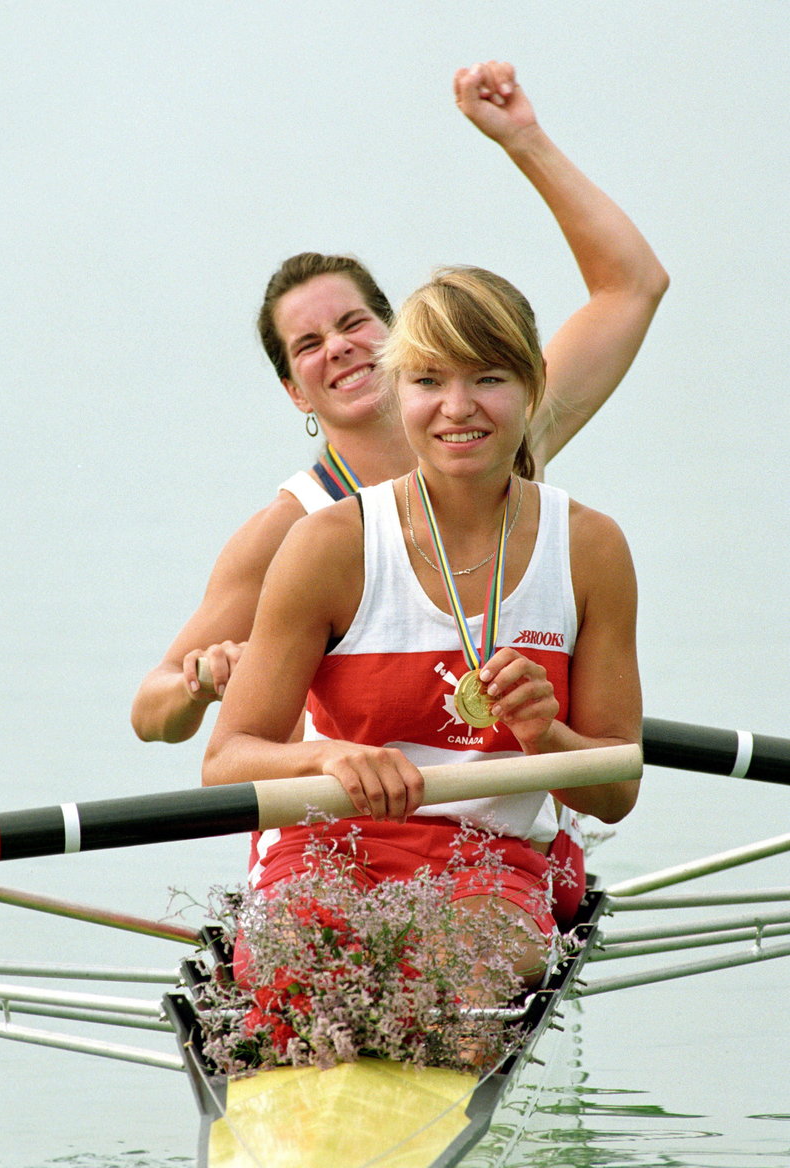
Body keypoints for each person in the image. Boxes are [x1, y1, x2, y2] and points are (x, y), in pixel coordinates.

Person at [130, 60, 666, 745]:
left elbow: (632, 285)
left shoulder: (497, 427)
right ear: (295, 392)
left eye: (354, 324)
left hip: (501, 824)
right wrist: (199, 681)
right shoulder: (294, 530)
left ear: (397, 339)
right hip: (349, 820)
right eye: (308, 344)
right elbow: (151, 713)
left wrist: (523, 139)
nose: (340, 348)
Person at [201, 265, 642, 991]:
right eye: (429, 381)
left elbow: (616, 788)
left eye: (489, 379)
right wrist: (327, 760)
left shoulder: (590, 548)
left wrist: (548, 736)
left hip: (492, 857)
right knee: (302, 984)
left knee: (457, 979)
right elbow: (226, 759)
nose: (456, 408)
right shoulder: (328, 544)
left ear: (532, 386)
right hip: (326, 848)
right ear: (398, 389)